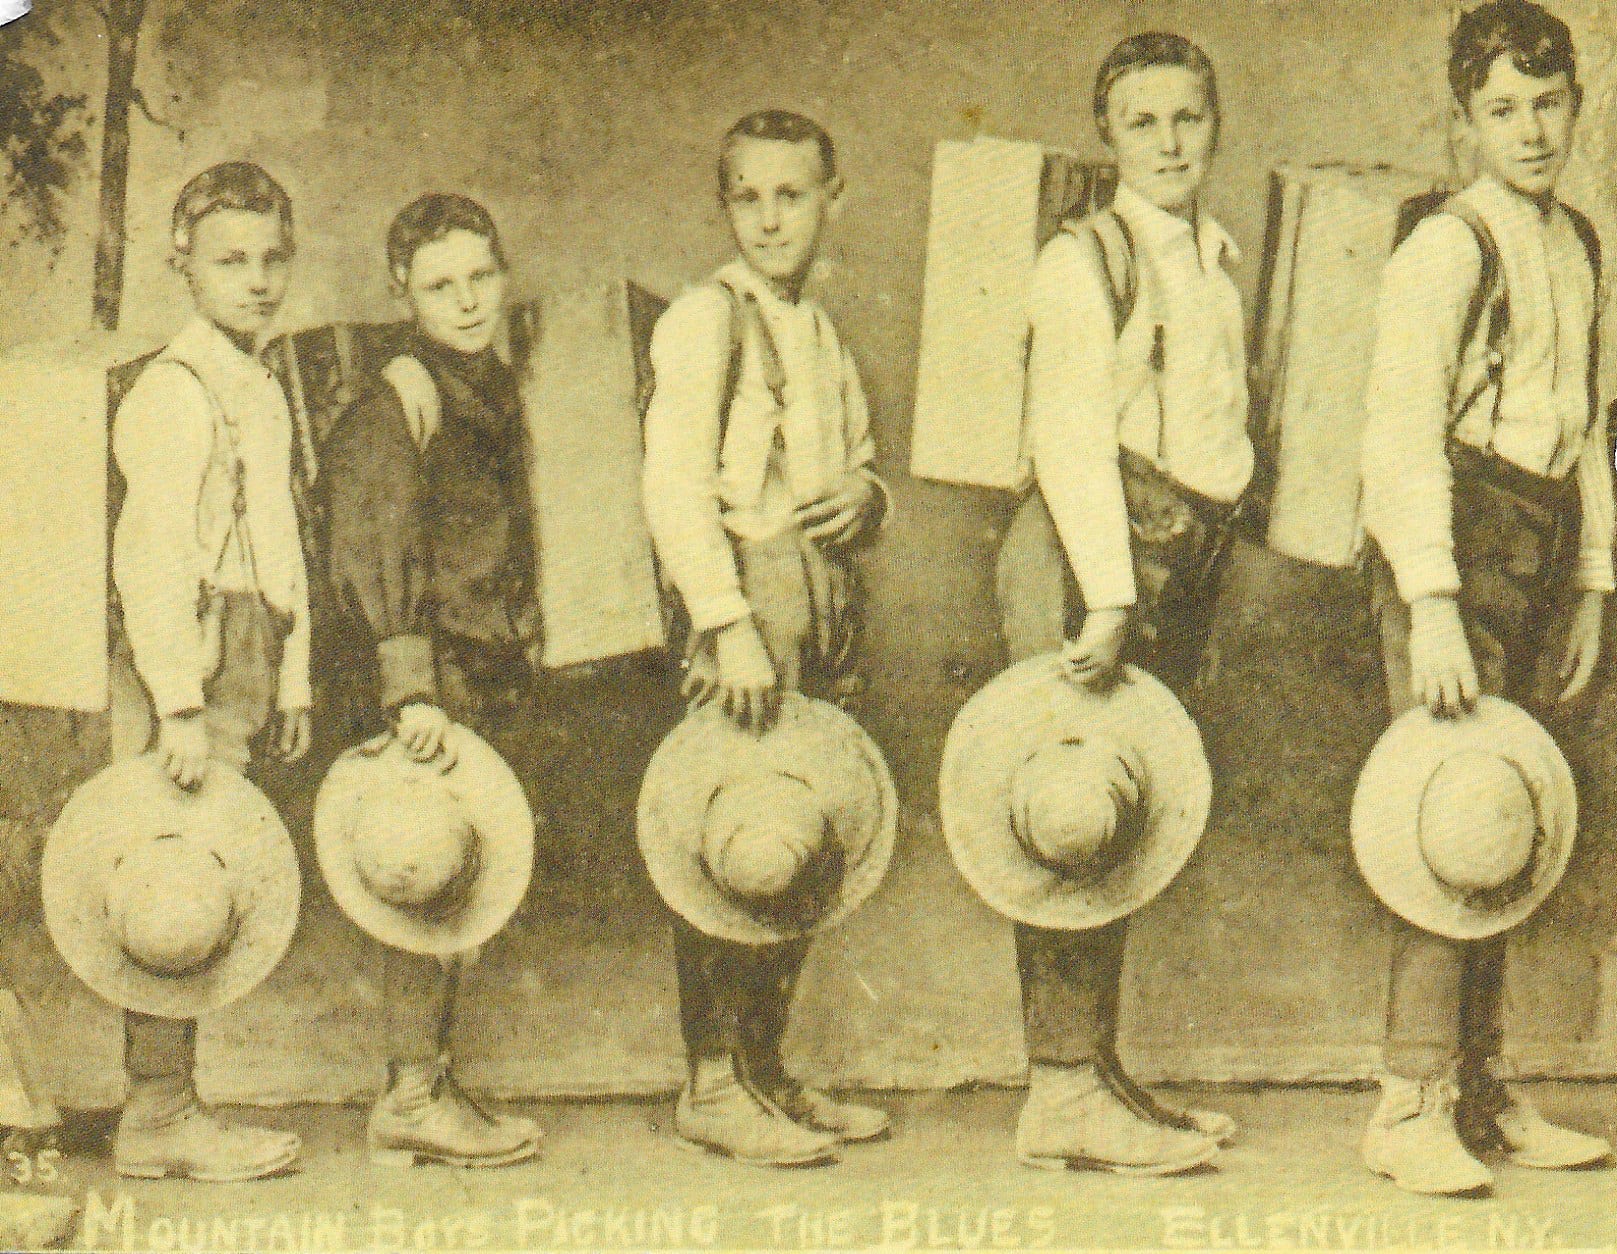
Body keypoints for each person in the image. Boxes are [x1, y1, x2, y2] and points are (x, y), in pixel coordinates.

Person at [1357, 0, 1613, 1196]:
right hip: (1450, 545)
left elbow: (1591, 432)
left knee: (1515, 812)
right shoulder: (1445, 247)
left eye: (1550, 104)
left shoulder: (1582, 244)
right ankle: (1407, 1102)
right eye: (1503, 109)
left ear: (1580, 103)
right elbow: (1398, 437)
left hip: (1544, 545)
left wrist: (1597, 584)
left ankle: (1482, 1091)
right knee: (1446, 812)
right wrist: (1434, 603)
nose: (1531, 130)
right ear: (1464, 121)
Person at [992, 32, 1248, 1173]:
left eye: (1187, 117)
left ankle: (1091, 1074)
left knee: (1125, 808)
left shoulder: (1215, 253)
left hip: (1169, 555)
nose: (1169, 141)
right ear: (1108, 136)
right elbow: (1067, 437)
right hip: (1084, 561)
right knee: (1067, 809)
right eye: (1142, 122)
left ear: (1216, 123)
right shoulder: (1080, 257)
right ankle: (1056, 1091)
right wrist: (1104, 596)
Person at [639, 109, 891, 1165]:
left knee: (807, 825)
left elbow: (861, 458)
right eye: (749, 196)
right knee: (732, 827)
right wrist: (729, 625)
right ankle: (710, 1081)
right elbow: (672, 487)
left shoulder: (819, 328)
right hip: (751, 598)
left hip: (824, 592)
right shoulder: (706, 318)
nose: (771, 217)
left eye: (793, 194)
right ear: (724, 204)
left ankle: (765, 1067)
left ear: (834, 197)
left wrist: (865, 497)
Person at [321, 191, 543, 1169]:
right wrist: (408, 684)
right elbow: (375, 532)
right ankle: (412, 1093)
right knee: (421, 863)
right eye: (439, 284)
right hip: (427, 670)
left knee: (459, 880)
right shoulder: (400, 393)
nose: (465, 301)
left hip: (482, 660)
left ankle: (428, 1082)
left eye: (481, 278)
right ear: (400, 292)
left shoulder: (488, 384)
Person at [107, 160, 310, 1181]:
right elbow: (149, 556)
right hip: (186, 654)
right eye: (232, 259)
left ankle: (173, 1100)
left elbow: (278, 546)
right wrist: (179, 704)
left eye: (274, 258)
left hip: (246, 647)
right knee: (172, 868)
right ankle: (158, 1110)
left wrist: (296, 674)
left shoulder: (255, 381)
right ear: (182, 262)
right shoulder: (173, 390)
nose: (258, 278)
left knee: (215, 857)